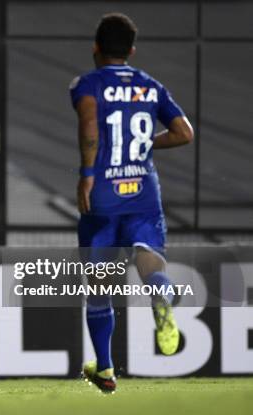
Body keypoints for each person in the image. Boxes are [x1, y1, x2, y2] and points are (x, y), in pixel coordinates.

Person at [69, 13, 194, 393]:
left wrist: (88, 173)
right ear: (131, 51)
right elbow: (184, 132)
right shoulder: (150, 86)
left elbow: (90, 122)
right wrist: (144, 143)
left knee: (99, 284)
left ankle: (105, 370)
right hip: (142, 191)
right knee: (148, 257)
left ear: (96, 47)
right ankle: (161, 292)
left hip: (104, 191)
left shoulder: (88, 83)